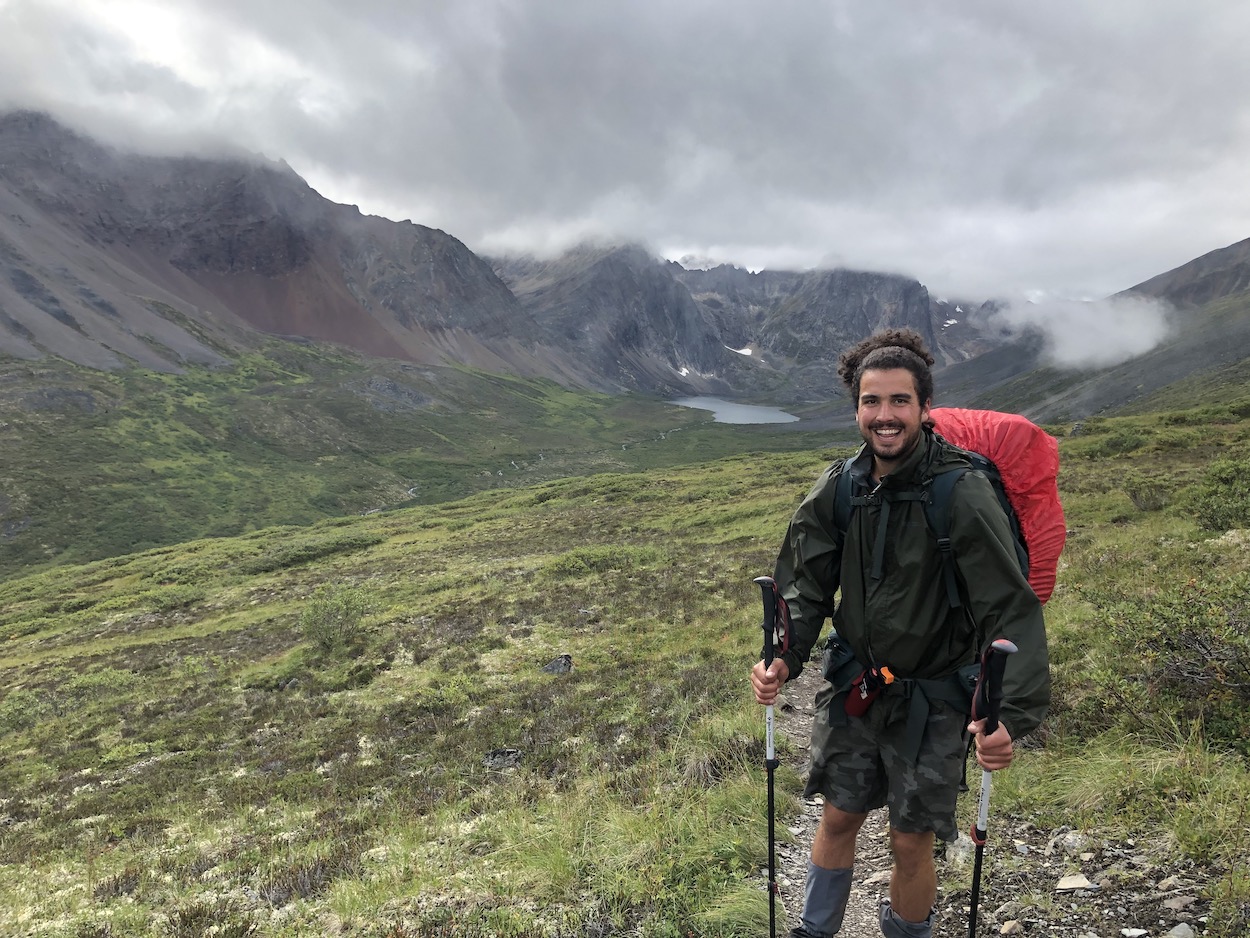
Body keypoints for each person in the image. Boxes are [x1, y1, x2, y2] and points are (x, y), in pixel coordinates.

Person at [750, 328, 1050, 938]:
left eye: (899, 402)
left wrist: (1008, 716)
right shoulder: (842, 486)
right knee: (837, 817)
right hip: (855, 683)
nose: (884, 416)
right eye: (871, 402)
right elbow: (806, 585)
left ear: (923, 408)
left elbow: (1009, 610)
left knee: (910, 844)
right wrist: (783, 657)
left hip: (934, 698)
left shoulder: (960, 493)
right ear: (856, 407)